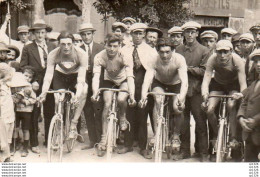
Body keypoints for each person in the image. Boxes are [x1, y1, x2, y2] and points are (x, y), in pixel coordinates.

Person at [201, 40, 247, 161]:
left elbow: (243, 83)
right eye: (219, 52)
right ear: (216, 52)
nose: (222, 55)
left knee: (231, 105)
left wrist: (241, 95)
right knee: (209, 110)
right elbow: (206, 79)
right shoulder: (212, 59)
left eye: (225, 52)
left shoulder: (237, 60)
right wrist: (205, 94)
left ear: (231, 51)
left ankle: (233, 138)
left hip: (233, 85)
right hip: (218, 84)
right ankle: (216, 135)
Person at [140, 37, 188, 152]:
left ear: (172, 50)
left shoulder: (179, 59)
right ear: (157, 51)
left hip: (176, 83)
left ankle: (176, 135)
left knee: (177, 108)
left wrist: (181, 98)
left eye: (167, 52)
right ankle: (157, 134)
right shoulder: (153, 59)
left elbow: (185, 82)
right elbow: (147, 79)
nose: (165, 55)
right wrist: (143, 96)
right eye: (161, 52)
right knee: (158, 100)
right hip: (160, 83)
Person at [92, 33, 136, 156]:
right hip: (109, 80)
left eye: (115, 46)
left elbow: (130, 77)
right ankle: (103, 138)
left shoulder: (125, 56)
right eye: (109, 45)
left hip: (123, 80)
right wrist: (95, 92)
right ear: (105, 45)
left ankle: (122, 117)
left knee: (122, 99)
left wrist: (131, 95)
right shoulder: (99, 56)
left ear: (119, 46)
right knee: (106, 104)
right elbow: (96, 76)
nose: (112, 49)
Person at [38, 31, 88, 137]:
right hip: (60, 75)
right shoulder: (53, 54)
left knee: (84, 90)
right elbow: (48, 76)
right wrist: (44, 93)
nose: (66, 47)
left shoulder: (81, 54)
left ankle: (73, 124)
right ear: (58, 44)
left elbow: (81, 78)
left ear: (73, 43)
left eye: (69, 44)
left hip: (76, 76)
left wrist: (77, 95)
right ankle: (58, 125)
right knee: (58, 99)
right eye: (63, 44)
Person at [121, 23, 158, 159]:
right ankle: (128, 144)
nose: (137, 36)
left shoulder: (150, 50)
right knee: (130, 112)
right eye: (135, 33)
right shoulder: (125, 49)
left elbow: (151, 72)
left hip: (145, 83)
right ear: (131, 35)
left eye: (140, 33)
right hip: (129, 81)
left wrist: (145, 93)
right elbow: (125, 69)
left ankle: (143, 147)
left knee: (143, 114)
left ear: (144, 35)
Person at [20, 19, 56, 153]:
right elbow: (23, 66)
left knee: (50, 111)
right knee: (34, 113)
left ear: (46, 33)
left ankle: (49, 139)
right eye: (37, 33)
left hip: (50, 83)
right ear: (33, 34)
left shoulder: (53, 47)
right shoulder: (28, 48)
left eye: (42, 32)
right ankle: (34, 143)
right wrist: (33, 80)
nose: (40, 36)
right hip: (35, 84)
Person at [175, 21, 210, 161]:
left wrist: (187, 68)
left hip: (196, 90)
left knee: (200, 121)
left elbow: (204, 70)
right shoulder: (178, 50)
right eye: (187, 32)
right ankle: (184, 150)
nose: (189, 34)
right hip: (182, 89)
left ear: (197, 33)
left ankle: (202, 152)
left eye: (192, 32)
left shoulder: (204, 50)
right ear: (183, 33)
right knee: (183, 121)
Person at [79, 23, 104, 149]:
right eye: (83, 34)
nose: (86, 36)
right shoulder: (78, 49)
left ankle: (101, 140)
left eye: (88, 34)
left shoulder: (101, 48)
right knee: (87, 111)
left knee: (98, 110)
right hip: (84, 82)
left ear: (93, 34)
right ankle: (92, 140)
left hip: (97, 82)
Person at [237, 48, 260, 162]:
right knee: (251, 167)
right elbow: (245, 102)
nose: (258, 64)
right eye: (256, 61)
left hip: (256, 127)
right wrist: (241, 118)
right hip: (250, 132)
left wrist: (255, 120)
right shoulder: (254, 83)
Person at [11, 66, 36, 157]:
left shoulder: (30, 88)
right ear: (22, 75)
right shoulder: (15, 86)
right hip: (17, 111)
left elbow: (34, 99)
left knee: (25, 129)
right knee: (15, 128)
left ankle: (25, 148)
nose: (27, 78)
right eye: (26, 76)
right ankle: (13, 146)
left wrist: (26, 101)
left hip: (26, 112)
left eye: (30, 77)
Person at [0, 63, 15, 162]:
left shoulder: (8, 85)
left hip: (9, 113)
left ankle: (7, 155)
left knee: (9, 133)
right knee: (2, 136)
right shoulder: (1, 85)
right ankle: (3, 157)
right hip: (2, 114)